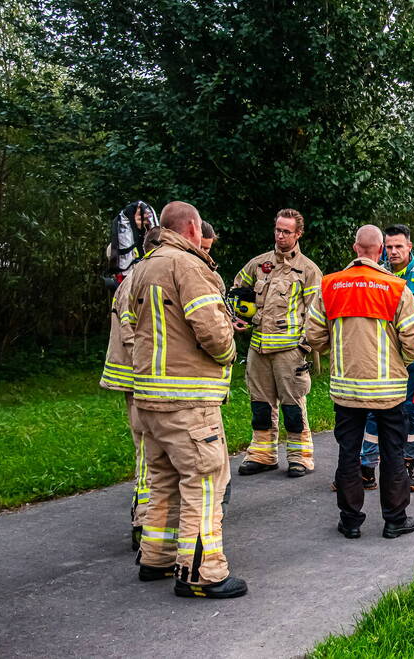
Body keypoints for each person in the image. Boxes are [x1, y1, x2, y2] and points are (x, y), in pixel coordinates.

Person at [127, 201, 245, 598]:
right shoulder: (189, 266)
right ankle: (201, 573)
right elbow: (212, 330)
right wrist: (229, 351)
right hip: (188, 399)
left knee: (162, 479)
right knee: (205, 483)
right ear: (193, 228)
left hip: (149, 397)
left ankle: (156, 557)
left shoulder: (144, 266)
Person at [306, 225, 414, 539]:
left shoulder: (330, 285)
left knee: (348, 453)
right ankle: (395, 520)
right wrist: (400, 361)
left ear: (355, 248)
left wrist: (338, 350)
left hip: (346, 389)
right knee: (393, 453)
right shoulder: (396, 287)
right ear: (381, 250)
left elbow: (313, 335)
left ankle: (350, 521)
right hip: (389, 390)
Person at [232, 209, 322, 478]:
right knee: (260, 405)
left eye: (286, 231)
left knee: (293, 407)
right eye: (278, 230)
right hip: (258, 348)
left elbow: (317, 312)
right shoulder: (258, 264)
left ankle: (300, 457)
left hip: (289, 351)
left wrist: (305, 346)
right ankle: (262, 455)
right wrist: (240, 315)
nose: (280, 235)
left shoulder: (308, 270)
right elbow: (237, 291)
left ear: (298, 234)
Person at [357, 224, 414, 492]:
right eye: (389, 247)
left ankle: (407, 466)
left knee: (409, 411)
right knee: (374, 410)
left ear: (409, 247)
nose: (393, 252)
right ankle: (367, 466)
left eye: (399, 247)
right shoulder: (378, 275)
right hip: (384, 359)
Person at [99, 229, 162, 552]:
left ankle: (148, 521)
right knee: (149, 455)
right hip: (140, 383)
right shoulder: (139, 280)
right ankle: (144, 522)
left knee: (149, 453)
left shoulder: (137, 277)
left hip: (138, 381)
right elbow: (133, 335)